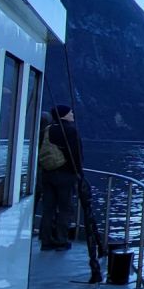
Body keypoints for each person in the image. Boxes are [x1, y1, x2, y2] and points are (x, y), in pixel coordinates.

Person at [38, 105, 84, 253]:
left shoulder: (47, 130)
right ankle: (61, 241)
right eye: (71, 112)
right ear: (64, 115)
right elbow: (75, 155)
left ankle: (45, 241)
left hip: (47, 174)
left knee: (48, 209)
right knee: (65, 209)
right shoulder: (71, 130)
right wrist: (78, 173)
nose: (73, 114)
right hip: (65, 175)